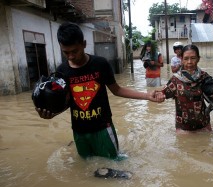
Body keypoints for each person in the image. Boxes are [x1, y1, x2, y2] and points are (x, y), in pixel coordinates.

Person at [35, 22, 163, 159]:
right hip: (79, 131)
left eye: (74, 51)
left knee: (114, 162)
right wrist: (52, 114)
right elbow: (67, 102)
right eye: (66, 52)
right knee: (87, 167)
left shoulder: (100, 64)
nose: (71, 56)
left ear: (84, 44)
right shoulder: (61, 71)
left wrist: (147, 95)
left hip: (103, 128)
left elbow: (117, 90)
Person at [156, 44, 213, 134]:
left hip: (204, 125)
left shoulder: (204, 77)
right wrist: (159, 95)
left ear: (198, 59)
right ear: (182, 60)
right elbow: (163, 93)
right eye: (186, 59)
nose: (189, 62)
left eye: (193, 58)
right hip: (183, 129)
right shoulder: (176, 79)